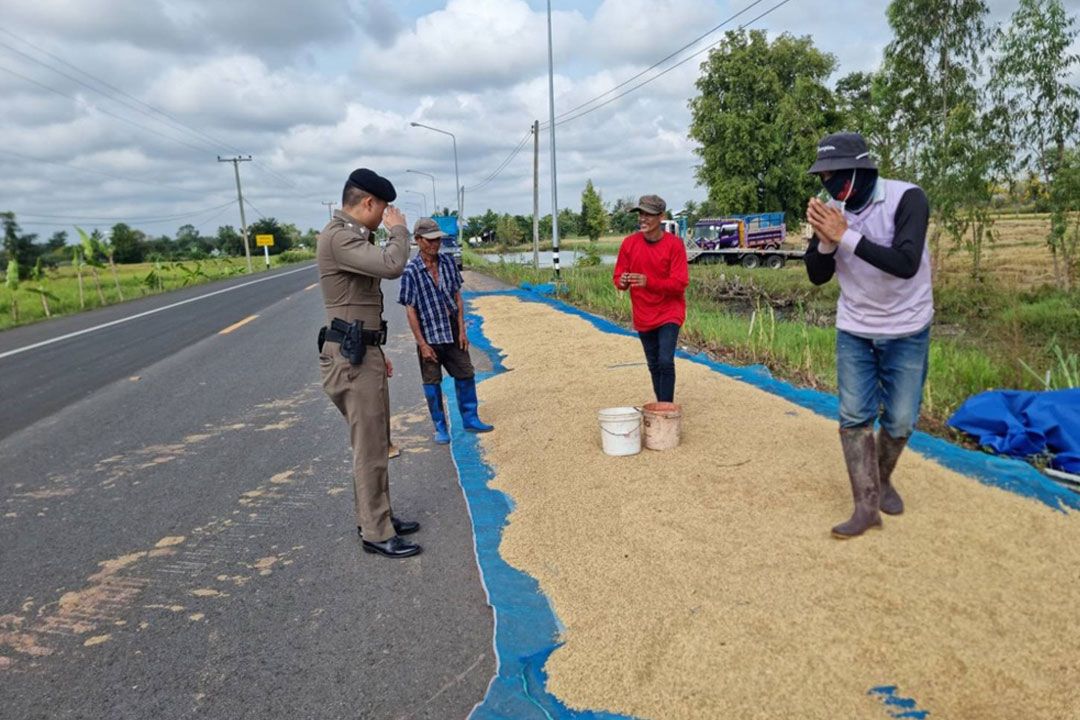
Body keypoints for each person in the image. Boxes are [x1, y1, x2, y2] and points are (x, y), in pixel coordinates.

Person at [804, 131, 933, 539]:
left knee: (899, 420)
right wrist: (826, 243)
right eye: (823, 176)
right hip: (856, 330)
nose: (829, 184)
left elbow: (906, 262)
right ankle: (866, 505)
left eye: (836, 175)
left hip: (907, 327)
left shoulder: (907, 198)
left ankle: (882, 480)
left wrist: (846, 236)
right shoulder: (832, 212)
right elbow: (816, 275)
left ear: (862, 169)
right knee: (854, 417)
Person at [317, 168, 421, 559]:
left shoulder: (349, 236)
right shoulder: (339, 236)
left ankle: (381, 517)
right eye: (384, 210)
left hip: (362, 351)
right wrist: (399, 230)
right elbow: (393, 265)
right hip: (351, 357)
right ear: (368, 203)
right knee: (371, 448)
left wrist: (377, 350)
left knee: (377, 441)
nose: (386, 216)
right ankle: (376, 531)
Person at [399, 217, 494, 444]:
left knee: (466, 374)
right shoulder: (411, 272)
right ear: (418, 240)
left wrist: (462, 330)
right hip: (428, 334)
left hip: (451, 330)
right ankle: (440, 427)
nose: (435, 244)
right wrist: (422, 344)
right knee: (432, 382)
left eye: (438, 240)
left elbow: (457, 298)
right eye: (430, 240)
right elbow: (410, 310)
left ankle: (470, 419)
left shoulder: (448, 263)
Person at [612, 194, 690, 403]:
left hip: (669, 312)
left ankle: (666, 410)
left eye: (649, 215)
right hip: (643, 313)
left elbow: (679, 283)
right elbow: (618, 278)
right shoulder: (629, 244)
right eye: (641, 214)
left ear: (661, 217)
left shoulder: (674, 245)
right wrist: (624, 281)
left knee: (665, 361)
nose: (643, 219)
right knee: (654, 364)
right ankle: (661, 406)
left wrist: (649, 282)